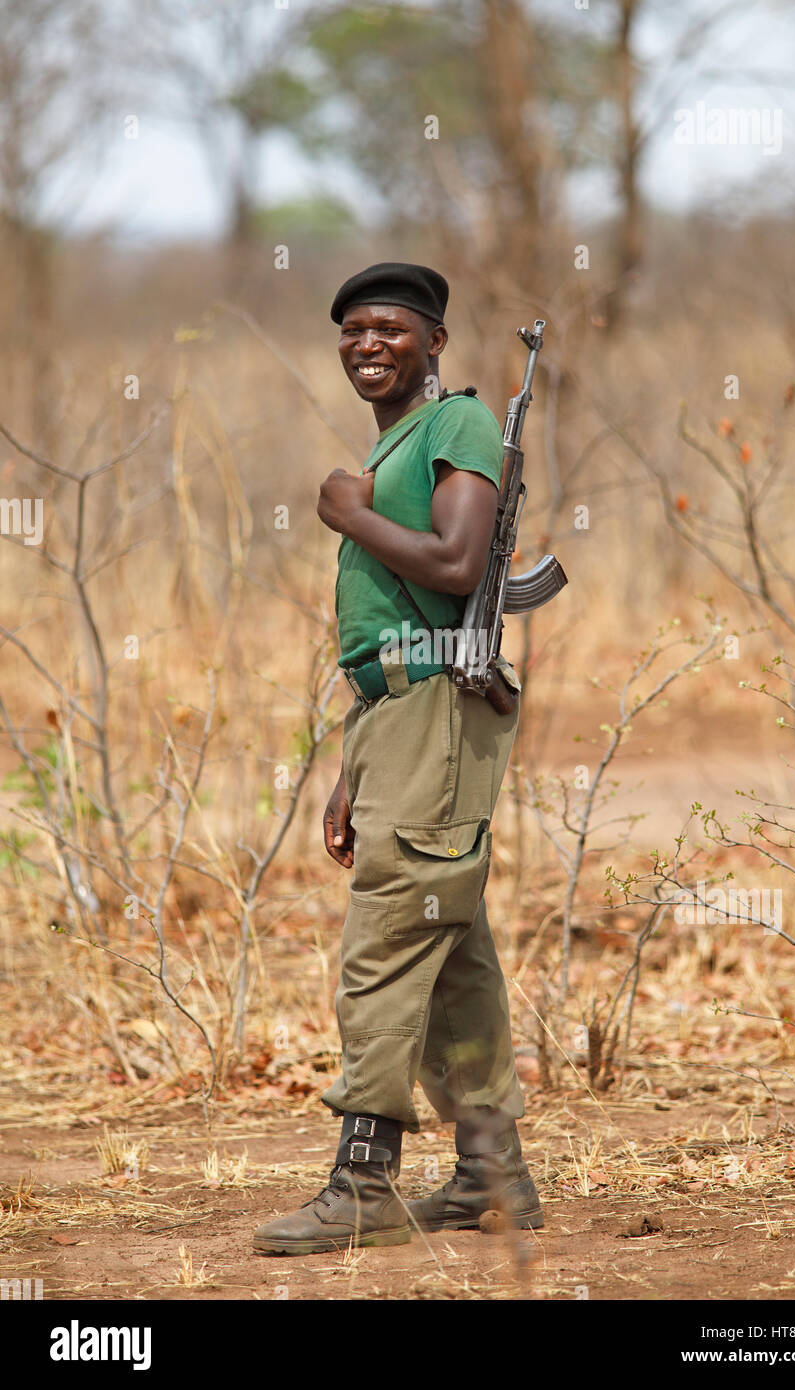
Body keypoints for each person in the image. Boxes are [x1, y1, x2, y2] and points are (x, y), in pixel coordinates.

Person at [254, 262, 543, 1256]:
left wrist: (350, 514)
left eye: (388, 328)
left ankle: (363, 1181)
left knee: (385, 942)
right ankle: (492, 1175)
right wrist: (354, 766)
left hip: (437, 713)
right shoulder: (397, 441)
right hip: (398, 715)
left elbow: (459, 565)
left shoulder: (457, 423)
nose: (367, 344)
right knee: (448, 944)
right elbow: (398, 627)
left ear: (433, 342)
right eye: (351, 331)